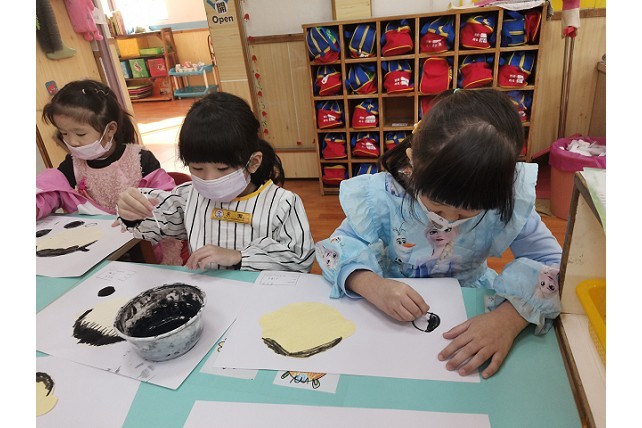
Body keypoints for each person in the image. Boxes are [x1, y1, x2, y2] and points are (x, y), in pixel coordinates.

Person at [315, 89, 562, 379]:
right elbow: (337, 248)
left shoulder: (503, 197)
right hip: (390, 305)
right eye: (437, 206)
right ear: (413, 163)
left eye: (467, 212)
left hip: (471, 305)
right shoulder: (385, 195)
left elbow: (557, 265)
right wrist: (371, 285)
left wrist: (508, 320)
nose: (450, 220)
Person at [115, 91, 315, 273]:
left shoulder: (282, 204)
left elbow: (300, 259)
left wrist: (239, 257)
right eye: (197, 168)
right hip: (208, 292)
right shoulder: (189, 196)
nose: (209, 179)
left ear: (253, 163)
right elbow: (158, 222)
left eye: (222, 169)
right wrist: (132, 213)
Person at [36, 79, 182, 265]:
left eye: (80, 134)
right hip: (102, 250)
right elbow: (52, 192)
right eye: (64, 133)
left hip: (146, 248)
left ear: (110, 129)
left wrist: (142, 207)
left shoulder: (140, 159)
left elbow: (167, 202)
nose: (72, 141)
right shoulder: (72, 164)